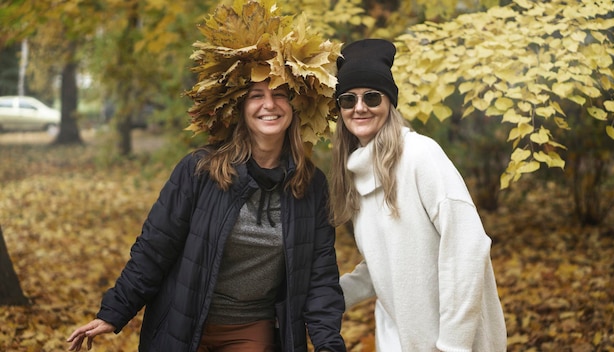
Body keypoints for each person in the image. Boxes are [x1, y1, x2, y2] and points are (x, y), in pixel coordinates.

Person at [67, 1, 345, 351]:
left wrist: (329, 345)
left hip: (252, 328)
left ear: (294, 108)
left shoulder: (310, 186)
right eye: (256, 95)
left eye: (279, 95)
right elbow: (155, 247)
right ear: (241, 109)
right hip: (185, 322)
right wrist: (114, 311)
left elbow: (320, 278)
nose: (269, 105)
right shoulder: (200, 170)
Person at [329, 38, 507, 351]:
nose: (359, 108)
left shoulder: (419, 155)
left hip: (453, 343)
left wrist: (452, 344)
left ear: (389, 103)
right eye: (348, 99)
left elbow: (468, 247)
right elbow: (386, 266)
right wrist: (326, 298)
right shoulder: (357, 173)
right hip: (401, 338)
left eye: (372, 97)